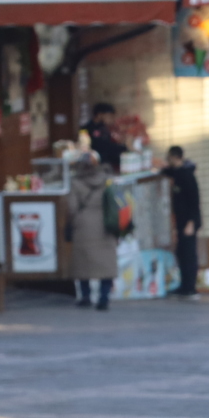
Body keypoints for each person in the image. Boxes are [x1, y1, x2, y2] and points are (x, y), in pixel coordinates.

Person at [67, 150, 118, 309]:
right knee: (107, 264)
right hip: (105, 224)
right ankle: (104, 299)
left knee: (83, 263)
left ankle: (86, 297)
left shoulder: (75, 182)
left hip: (83, 225)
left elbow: (71, 207)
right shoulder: (107, 180)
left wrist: (74, 221)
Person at [160, 146, 201, 300]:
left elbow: (194, 201)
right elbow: (167, 172)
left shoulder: (187, 176)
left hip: (189, 222)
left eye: (168, 157)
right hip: (181, 220)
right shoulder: (177, 173)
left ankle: (191, 288)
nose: (167, 160)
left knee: (189, 254)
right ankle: (184, 286)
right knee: (181, 252)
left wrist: (191, 222)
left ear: (175, 157)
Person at [87, 103, 125, 171]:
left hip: (109, 162)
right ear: (100, 115)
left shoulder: (105, 128)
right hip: (97, 164)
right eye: (109, 116)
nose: (111, 119)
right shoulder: (87, 128)